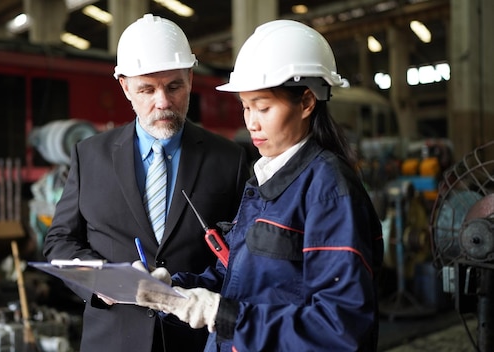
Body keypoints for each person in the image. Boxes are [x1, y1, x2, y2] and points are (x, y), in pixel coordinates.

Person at [135, 19, 384, 351]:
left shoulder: (327, 191)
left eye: (263, 107)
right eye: (246, 107)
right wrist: (174, 292)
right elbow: (239, 277)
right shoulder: (266, 179)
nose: (251, 122)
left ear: (307, 102)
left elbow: (340, 328)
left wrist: (223, 314)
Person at [42, 13, 249, 352]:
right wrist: (98, 280)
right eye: (147, 89)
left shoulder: (229, 159)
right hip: (112, 338)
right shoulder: (89, 155)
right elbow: (60, 240)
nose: (163, 102)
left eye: (174, 86)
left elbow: (240, 256)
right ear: (125, 86)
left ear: (191, 79)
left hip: (194, 340)